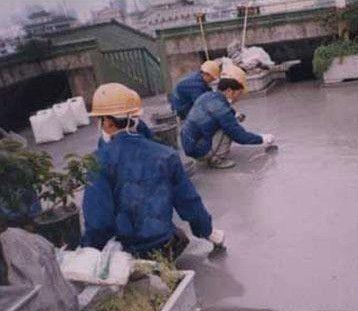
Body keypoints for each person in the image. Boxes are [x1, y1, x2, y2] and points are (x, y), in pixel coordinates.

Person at [81, 82, 224, 257]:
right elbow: (189, 202)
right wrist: (207, 232)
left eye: (100, 120)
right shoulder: (166, 154)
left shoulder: (98, 161)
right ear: (136, 118)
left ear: (108, 122)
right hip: (165, 247)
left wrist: (90, 252)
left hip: (126, 256)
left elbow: (98, 223)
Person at [181, 64, 275, 169]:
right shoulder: (222, 111)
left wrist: (233, 114)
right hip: (198, 149)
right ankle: (216, 159)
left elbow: (216, 110)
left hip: (189, 143)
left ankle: (210, 151)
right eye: (238, 93)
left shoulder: (207, 95)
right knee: (227, 130)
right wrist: (262, 139)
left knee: (227, 123)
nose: (238, 98)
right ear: (229, 91)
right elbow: (240, 137)